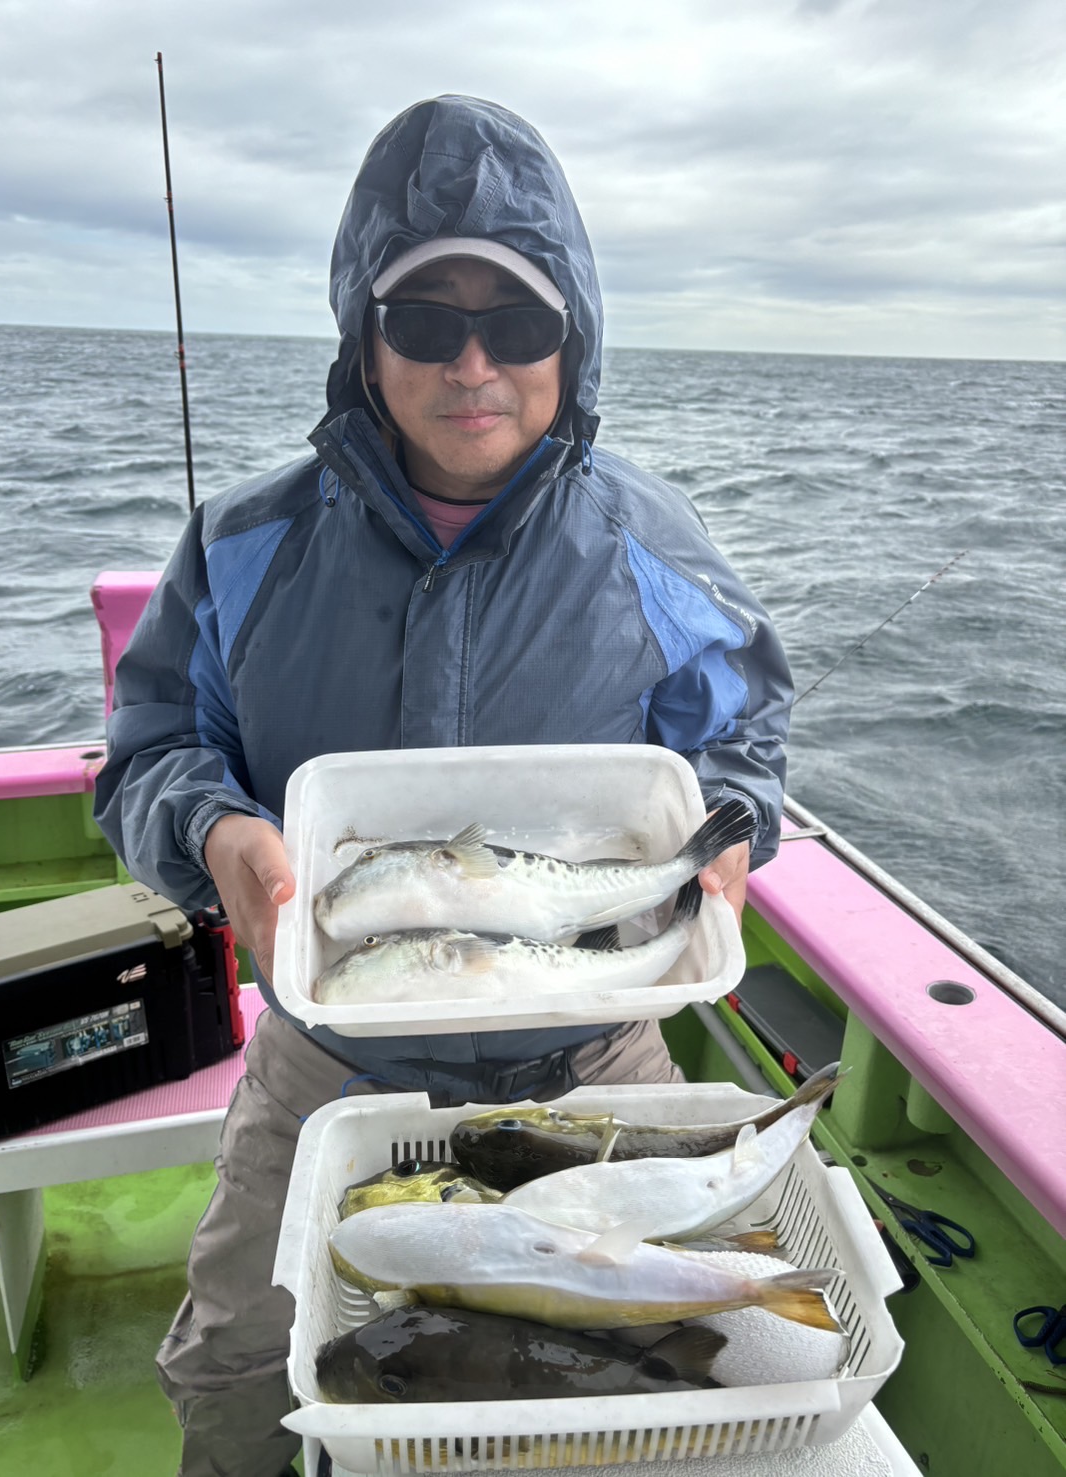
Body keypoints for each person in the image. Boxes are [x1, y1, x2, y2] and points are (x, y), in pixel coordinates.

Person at [94, 93, 792, 1477]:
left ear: (572, 340)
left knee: (661, 1353)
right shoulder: (242, 544)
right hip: (327, 1053)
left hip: (599, 1044)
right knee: (239, 1361)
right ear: (365, 337)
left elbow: (738, 741)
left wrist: (726, 838)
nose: (474, 363)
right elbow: (152, 745)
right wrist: (213, 830)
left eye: (517, 323)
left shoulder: (655, 543)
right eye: (424, 320)